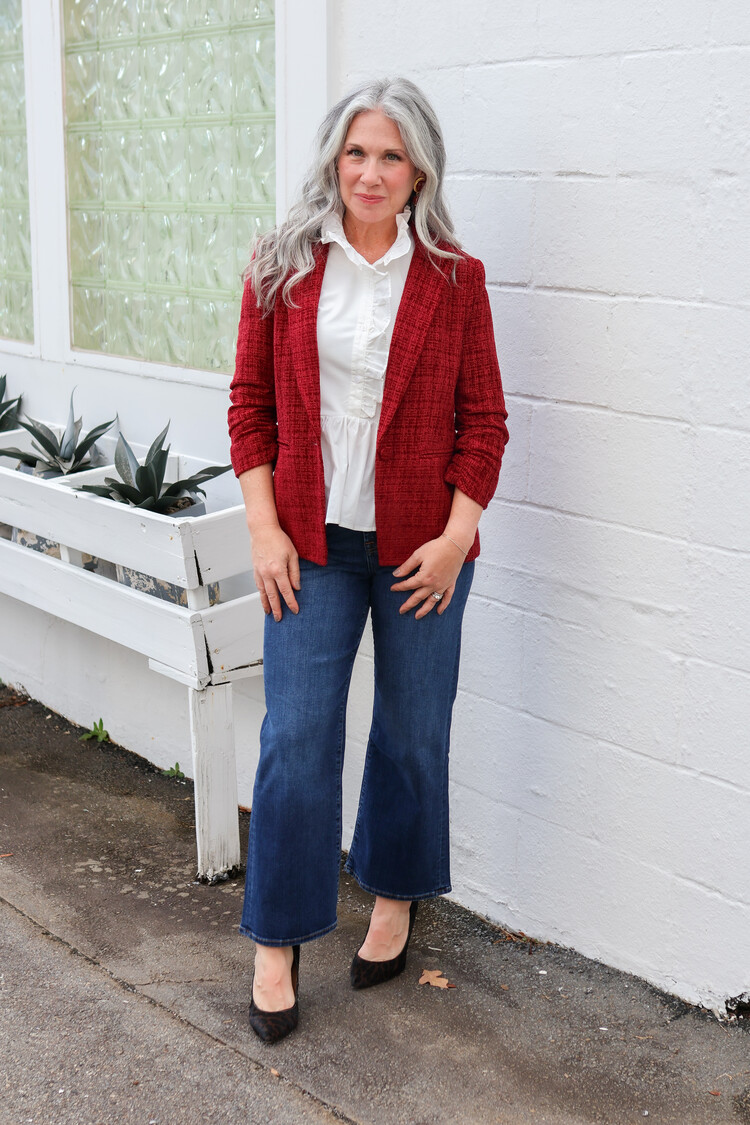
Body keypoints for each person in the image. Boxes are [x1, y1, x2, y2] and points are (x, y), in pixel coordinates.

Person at [228, 76, 508, 1044]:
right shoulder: (282, 264)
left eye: (392, 155)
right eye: (357, 152)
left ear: (419, 169)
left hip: (424, 549)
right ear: (333, 160)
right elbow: (250, 406)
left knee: (411, 732)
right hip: (308, 544)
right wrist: (263, 528)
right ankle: (277, 940)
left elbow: (485, 422)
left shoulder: (455, 280)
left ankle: (393, 895)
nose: (372, 173)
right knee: (296, 738)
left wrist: (456, 539)